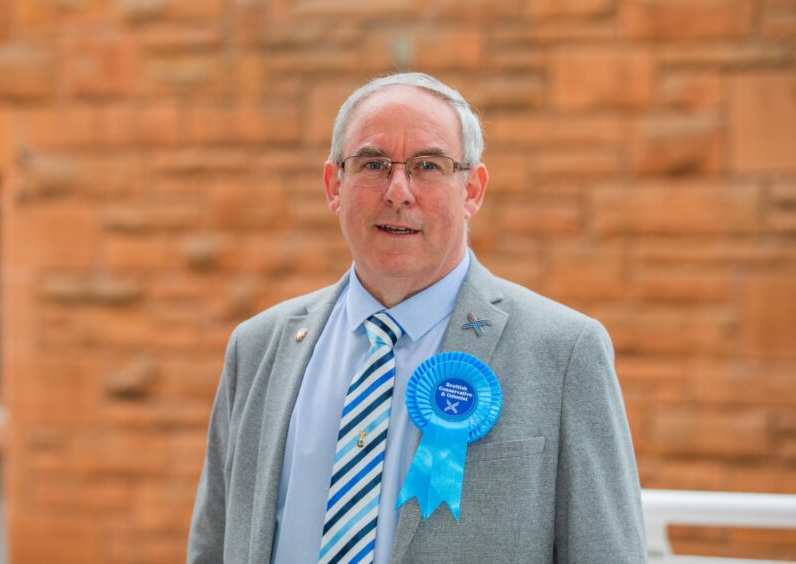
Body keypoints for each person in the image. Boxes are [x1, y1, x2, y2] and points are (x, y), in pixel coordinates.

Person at [188, 72, 646, 564]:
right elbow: (213, 546)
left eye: (428, 165)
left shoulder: (564, 352)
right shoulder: (257, 348)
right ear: (333, 186)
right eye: (373, 164)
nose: (398, 191)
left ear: (471, 189)